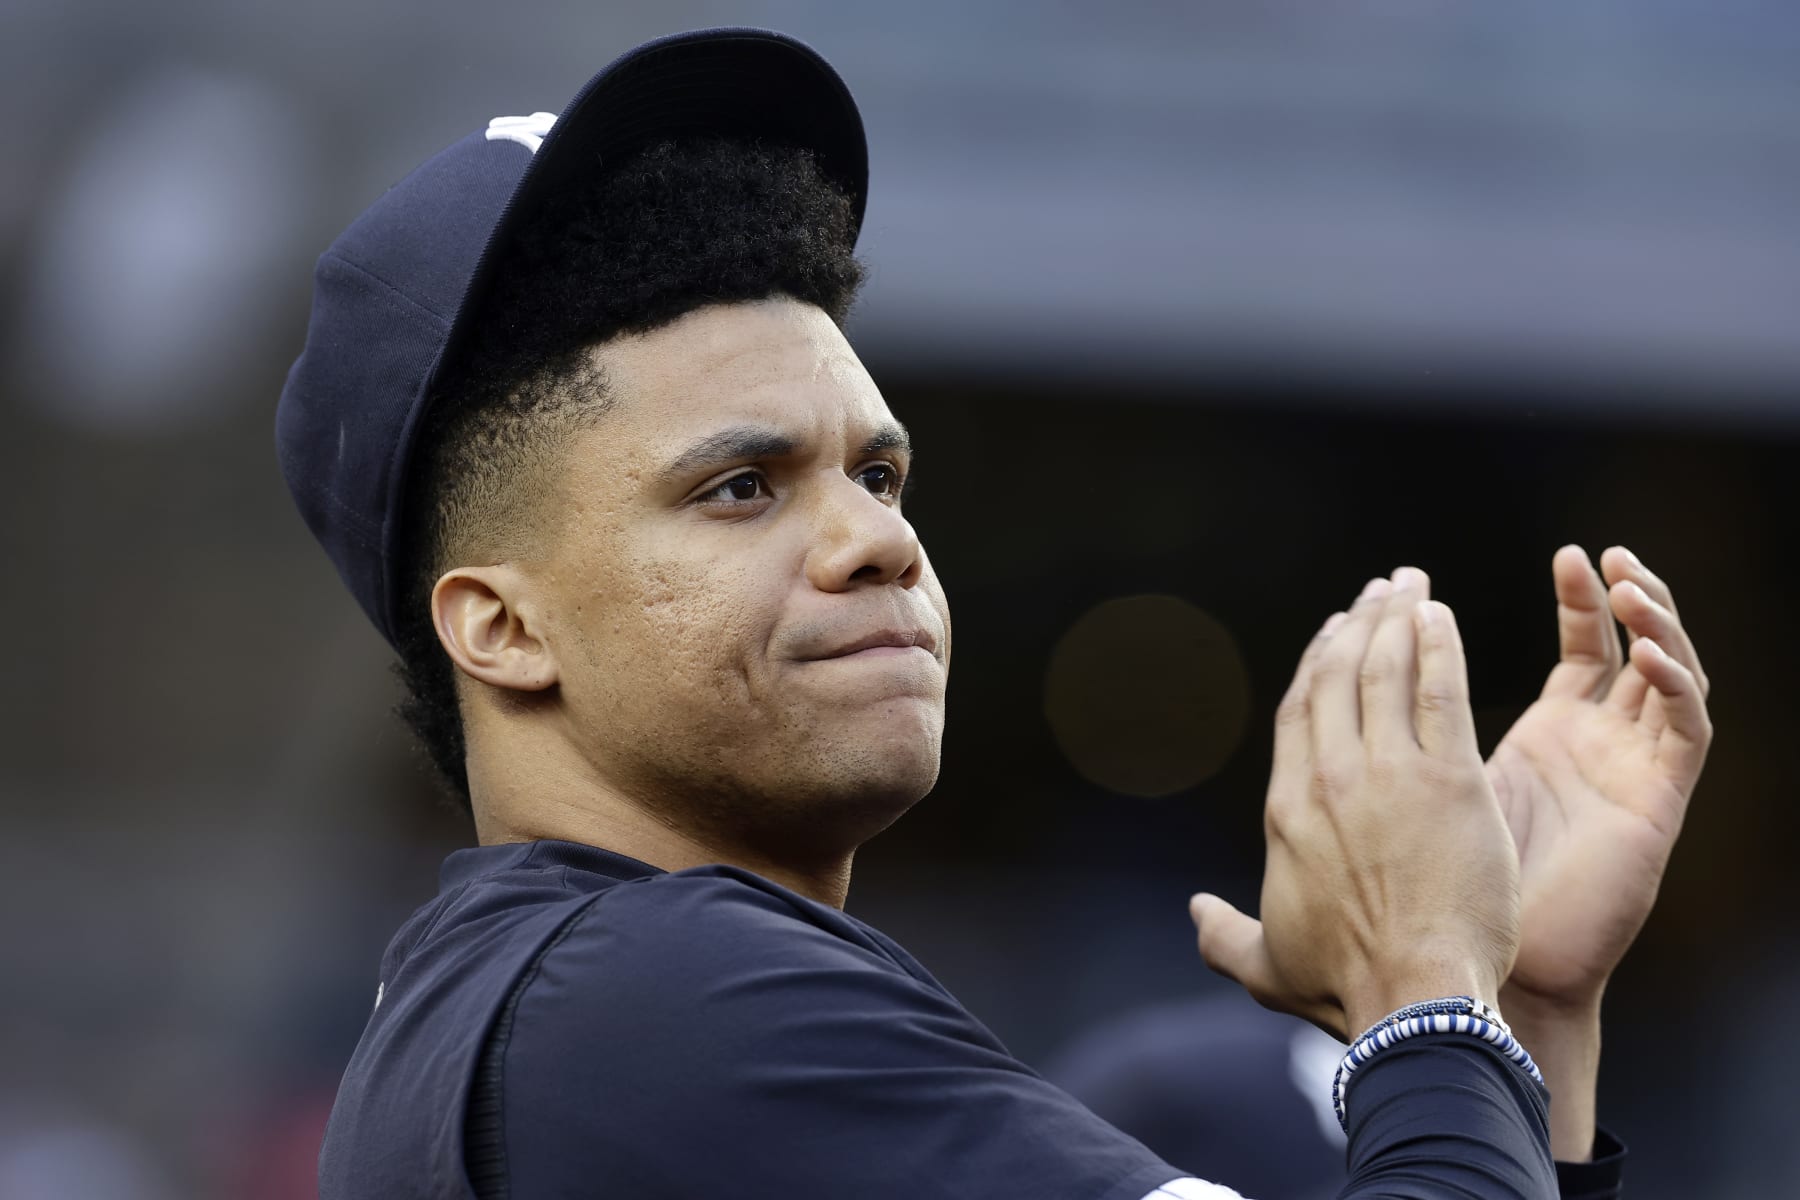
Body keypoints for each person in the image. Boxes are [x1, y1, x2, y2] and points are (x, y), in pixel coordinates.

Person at [275, 28, 1711, 1200]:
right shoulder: (651, 996)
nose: (878, 542)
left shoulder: (568, 1008)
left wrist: (1521, 1012)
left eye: (878, 474)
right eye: (739, 488)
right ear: (501, 629)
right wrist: (1428, 983)